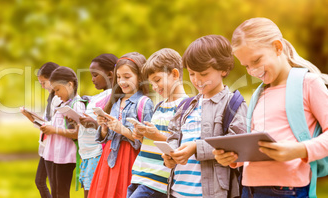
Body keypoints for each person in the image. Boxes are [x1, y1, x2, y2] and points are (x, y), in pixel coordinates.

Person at [213, 17, 328, 198]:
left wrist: (299, 150)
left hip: (287, 189)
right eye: (246, 66)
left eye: (257, 60)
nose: (252, 71)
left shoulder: (308, 83)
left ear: (277, 47)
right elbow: (256, 147)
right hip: (249, 189)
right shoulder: (259, 95)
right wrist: (234, 158)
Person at [162, 35, 247, 198]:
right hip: (177, 191)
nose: (196, 79)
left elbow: (237, 142)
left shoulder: (234, 104)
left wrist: (196, 147)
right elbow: (173, 135)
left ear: (223, 69)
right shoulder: (186, 106)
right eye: (192, 74)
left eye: (203, 73)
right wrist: (170, 155)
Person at [88, 52, 154, 198]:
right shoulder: (115, 102)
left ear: (140, 77)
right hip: (108, 159)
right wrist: (104, 127)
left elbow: (147, 140)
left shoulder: (144, 103)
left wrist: (122, 129)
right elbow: (104, 137)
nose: (122, 81)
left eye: (127, 77)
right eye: (118, 77)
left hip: (130, 159)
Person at [127, 48, 188, 198]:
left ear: (175, 74)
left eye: (157, 80)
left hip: (157, 181)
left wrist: (156, 135)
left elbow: (182, 145)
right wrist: (142, 135)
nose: (154, 87)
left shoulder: (186, 106)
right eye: (151, 83)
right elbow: (152, 142)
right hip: (140, 174)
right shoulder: (159, 106)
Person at [39, 66, 86, 198]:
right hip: (54, 154)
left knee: (61, 192)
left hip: (65, 156)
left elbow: (78, 133)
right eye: (54, 91)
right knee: (55, 192)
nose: (56, 94)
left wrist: (54, 130)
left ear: (70, 84)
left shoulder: (77, 104)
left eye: (58, 89)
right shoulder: (62, 104)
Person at [77, 53, 118, 198]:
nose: (92, 79)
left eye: (95, 75)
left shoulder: (112, 96)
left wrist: (93, 123)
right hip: (87, 154)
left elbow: (110, 126)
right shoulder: (98, 96)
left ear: (110, 74)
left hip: (97, 153)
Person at [20, 62, 60, 198]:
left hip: (55, 146)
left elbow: (56, 124)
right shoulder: (51, 98)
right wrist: (30, 116)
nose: (42, 86)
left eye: (44, 82)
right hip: (46, 144)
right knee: (40, 181)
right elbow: (45, 123)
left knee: (54, 186)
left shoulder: (60, 98)